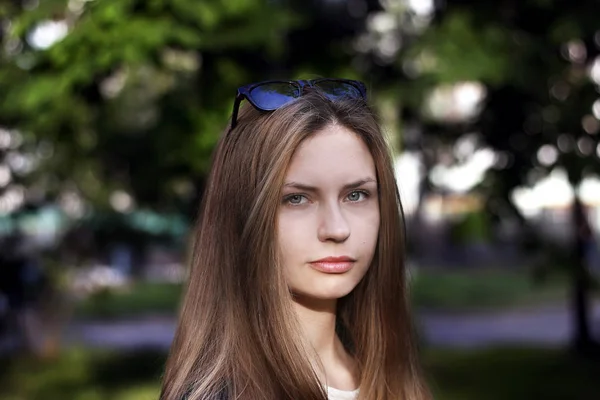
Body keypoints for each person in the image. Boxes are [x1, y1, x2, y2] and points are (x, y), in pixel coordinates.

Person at [160, 79, 431, 400]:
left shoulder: (393, 380)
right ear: (243, 215)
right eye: (297, 199)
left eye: (356, 195)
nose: (336, 229)